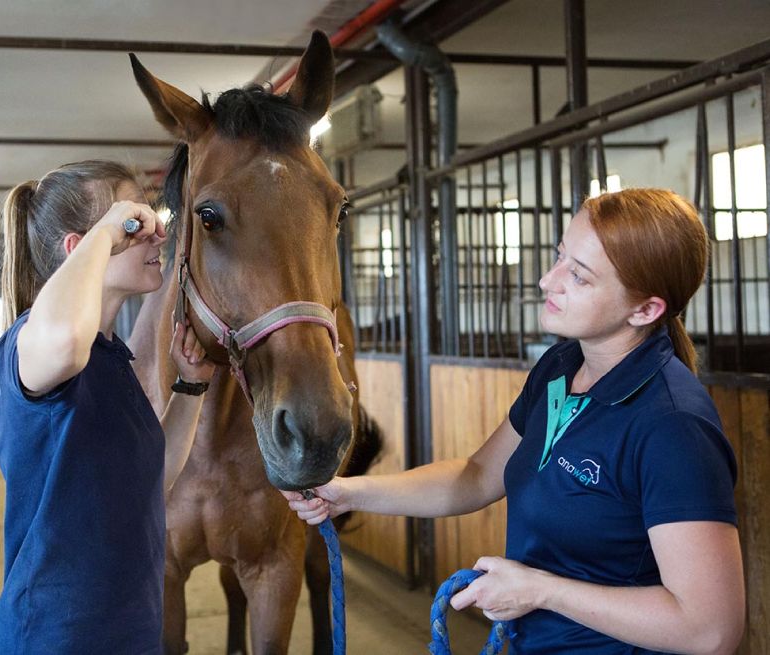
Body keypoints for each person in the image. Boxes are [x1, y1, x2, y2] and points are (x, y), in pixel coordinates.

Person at [283, 189, 745, 654]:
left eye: (579, 277)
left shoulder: (673, 426)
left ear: (645, 310)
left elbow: (710, 630)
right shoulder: (562, 366)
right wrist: (347, 494)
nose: (548, 281)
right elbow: (478, 475)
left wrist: (541, 590)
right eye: (560, 256)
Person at [0, 160, 214, 654]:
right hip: (55, 638)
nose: (156, 237)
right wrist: (108, 232)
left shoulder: (112, 361)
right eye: (135, 225)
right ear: (78, 248)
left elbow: (152, 476)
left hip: (128, 633)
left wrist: (190, 389)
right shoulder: (29, 343)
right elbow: (65, 340)